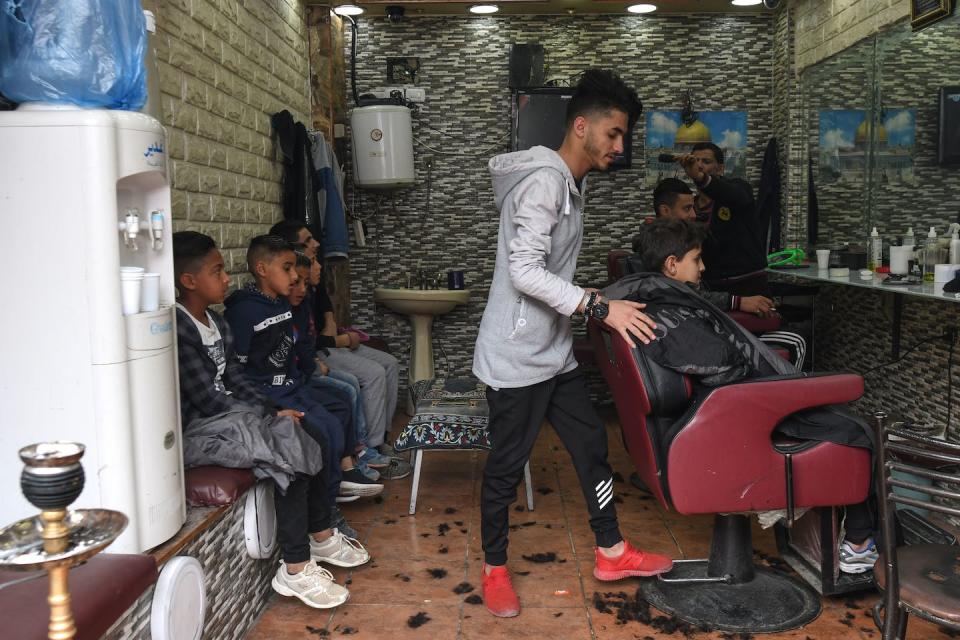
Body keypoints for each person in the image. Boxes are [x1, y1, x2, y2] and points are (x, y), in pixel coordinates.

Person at [473, 69, 674, 619]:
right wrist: (600, 307)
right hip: (516, 356)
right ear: (581, 126)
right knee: (506, 468)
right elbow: (523, 272)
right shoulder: (545, 181)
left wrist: (595, 301)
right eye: (613, 133)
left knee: (590, 446)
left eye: (624, 135)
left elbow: (548, 276)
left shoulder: (566, 182)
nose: (620, 145)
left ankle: (611, 550)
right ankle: (494, 569)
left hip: (553, 351)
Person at [612, 218, 877, 572]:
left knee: (828, 407)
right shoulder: (671, 314)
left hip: (708, 413)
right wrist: (788, 387)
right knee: (858, 431)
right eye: (697, 258)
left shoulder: (645, 298)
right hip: (733, 416)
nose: (703, 266)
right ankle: (860, 543)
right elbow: (725, 368)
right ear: (672, 265)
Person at [172, 231, 370, 609]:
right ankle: (295, 568)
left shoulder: (216, 322)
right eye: (217, 271)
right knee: (289, 447)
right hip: (201, 429)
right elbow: (206, 398)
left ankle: (321, 534)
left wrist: (271, 409)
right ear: (189, 280)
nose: (227, 279)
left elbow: (235, 380)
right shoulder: (179, 327)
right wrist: (264, 417)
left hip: (232, 419)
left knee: (306, 430)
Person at [224, 235, 383, 513]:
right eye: (287, 268)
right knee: (325, 429)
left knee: (338, 406)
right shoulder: (244, 311)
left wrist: (300, 377)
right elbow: (238, 368)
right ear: (262, 270)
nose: (295, 275)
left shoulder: (282, 304)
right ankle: (329, 509)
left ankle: (340, 480)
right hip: (271, 394)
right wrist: (267, 405)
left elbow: (294, 350)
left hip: (292, 385)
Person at [269, 220, 404, 466]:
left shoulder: (310, 280)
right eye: (308, 241)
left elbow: (322, 309)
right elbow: (304, 340)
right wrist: (337, 340)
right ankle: (368, 447)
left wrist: (332, 323)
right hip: (321, 350)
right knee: (368, 376)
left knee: (390, 363)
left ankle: (381, 437)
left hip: (327, 343)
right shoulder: (293, 287)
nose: (317, 244)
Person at [678, 142, 768, 296]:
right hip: (711, 286)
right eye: (696, 161)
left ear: (720, 168)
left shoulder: (739, 189)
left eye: (706, 162)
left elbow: (734, 195)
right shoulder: (691, 206)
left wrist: (701, 178)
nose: (699, 166)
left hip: (746, 284)